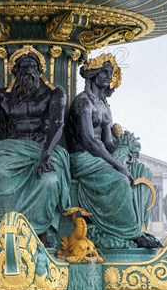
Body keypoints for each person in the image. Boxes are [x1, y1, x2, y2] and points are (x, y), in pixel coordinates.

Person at [0, 46, 71, 245]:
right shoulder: (3, 97)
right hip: (12, 148)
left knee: (49, 180)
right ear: (15, 73)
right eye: (22, 68)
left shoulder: (55, 93)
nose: (28, 72)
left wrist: (46, 155)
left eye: (32, 67)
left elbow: (58, 123)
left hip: (44, 147)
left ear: (40, 71)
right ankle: (6, 227)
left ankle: (40, 230)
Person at [67, 54, 156, 249]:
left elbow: (106, 143)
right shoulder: (83, 102)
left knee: (143, 173)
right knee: (120, 180)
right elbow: (89, 140)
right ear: (93, 74)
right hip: (82, 159)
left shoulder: (104, 106)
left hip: (99, 157)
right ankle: (131, 233)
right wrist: (117, 164)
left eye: (111, 72)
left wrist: (122, 145)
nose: (109, 76)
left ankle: (137, 224)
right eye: (105, 71)